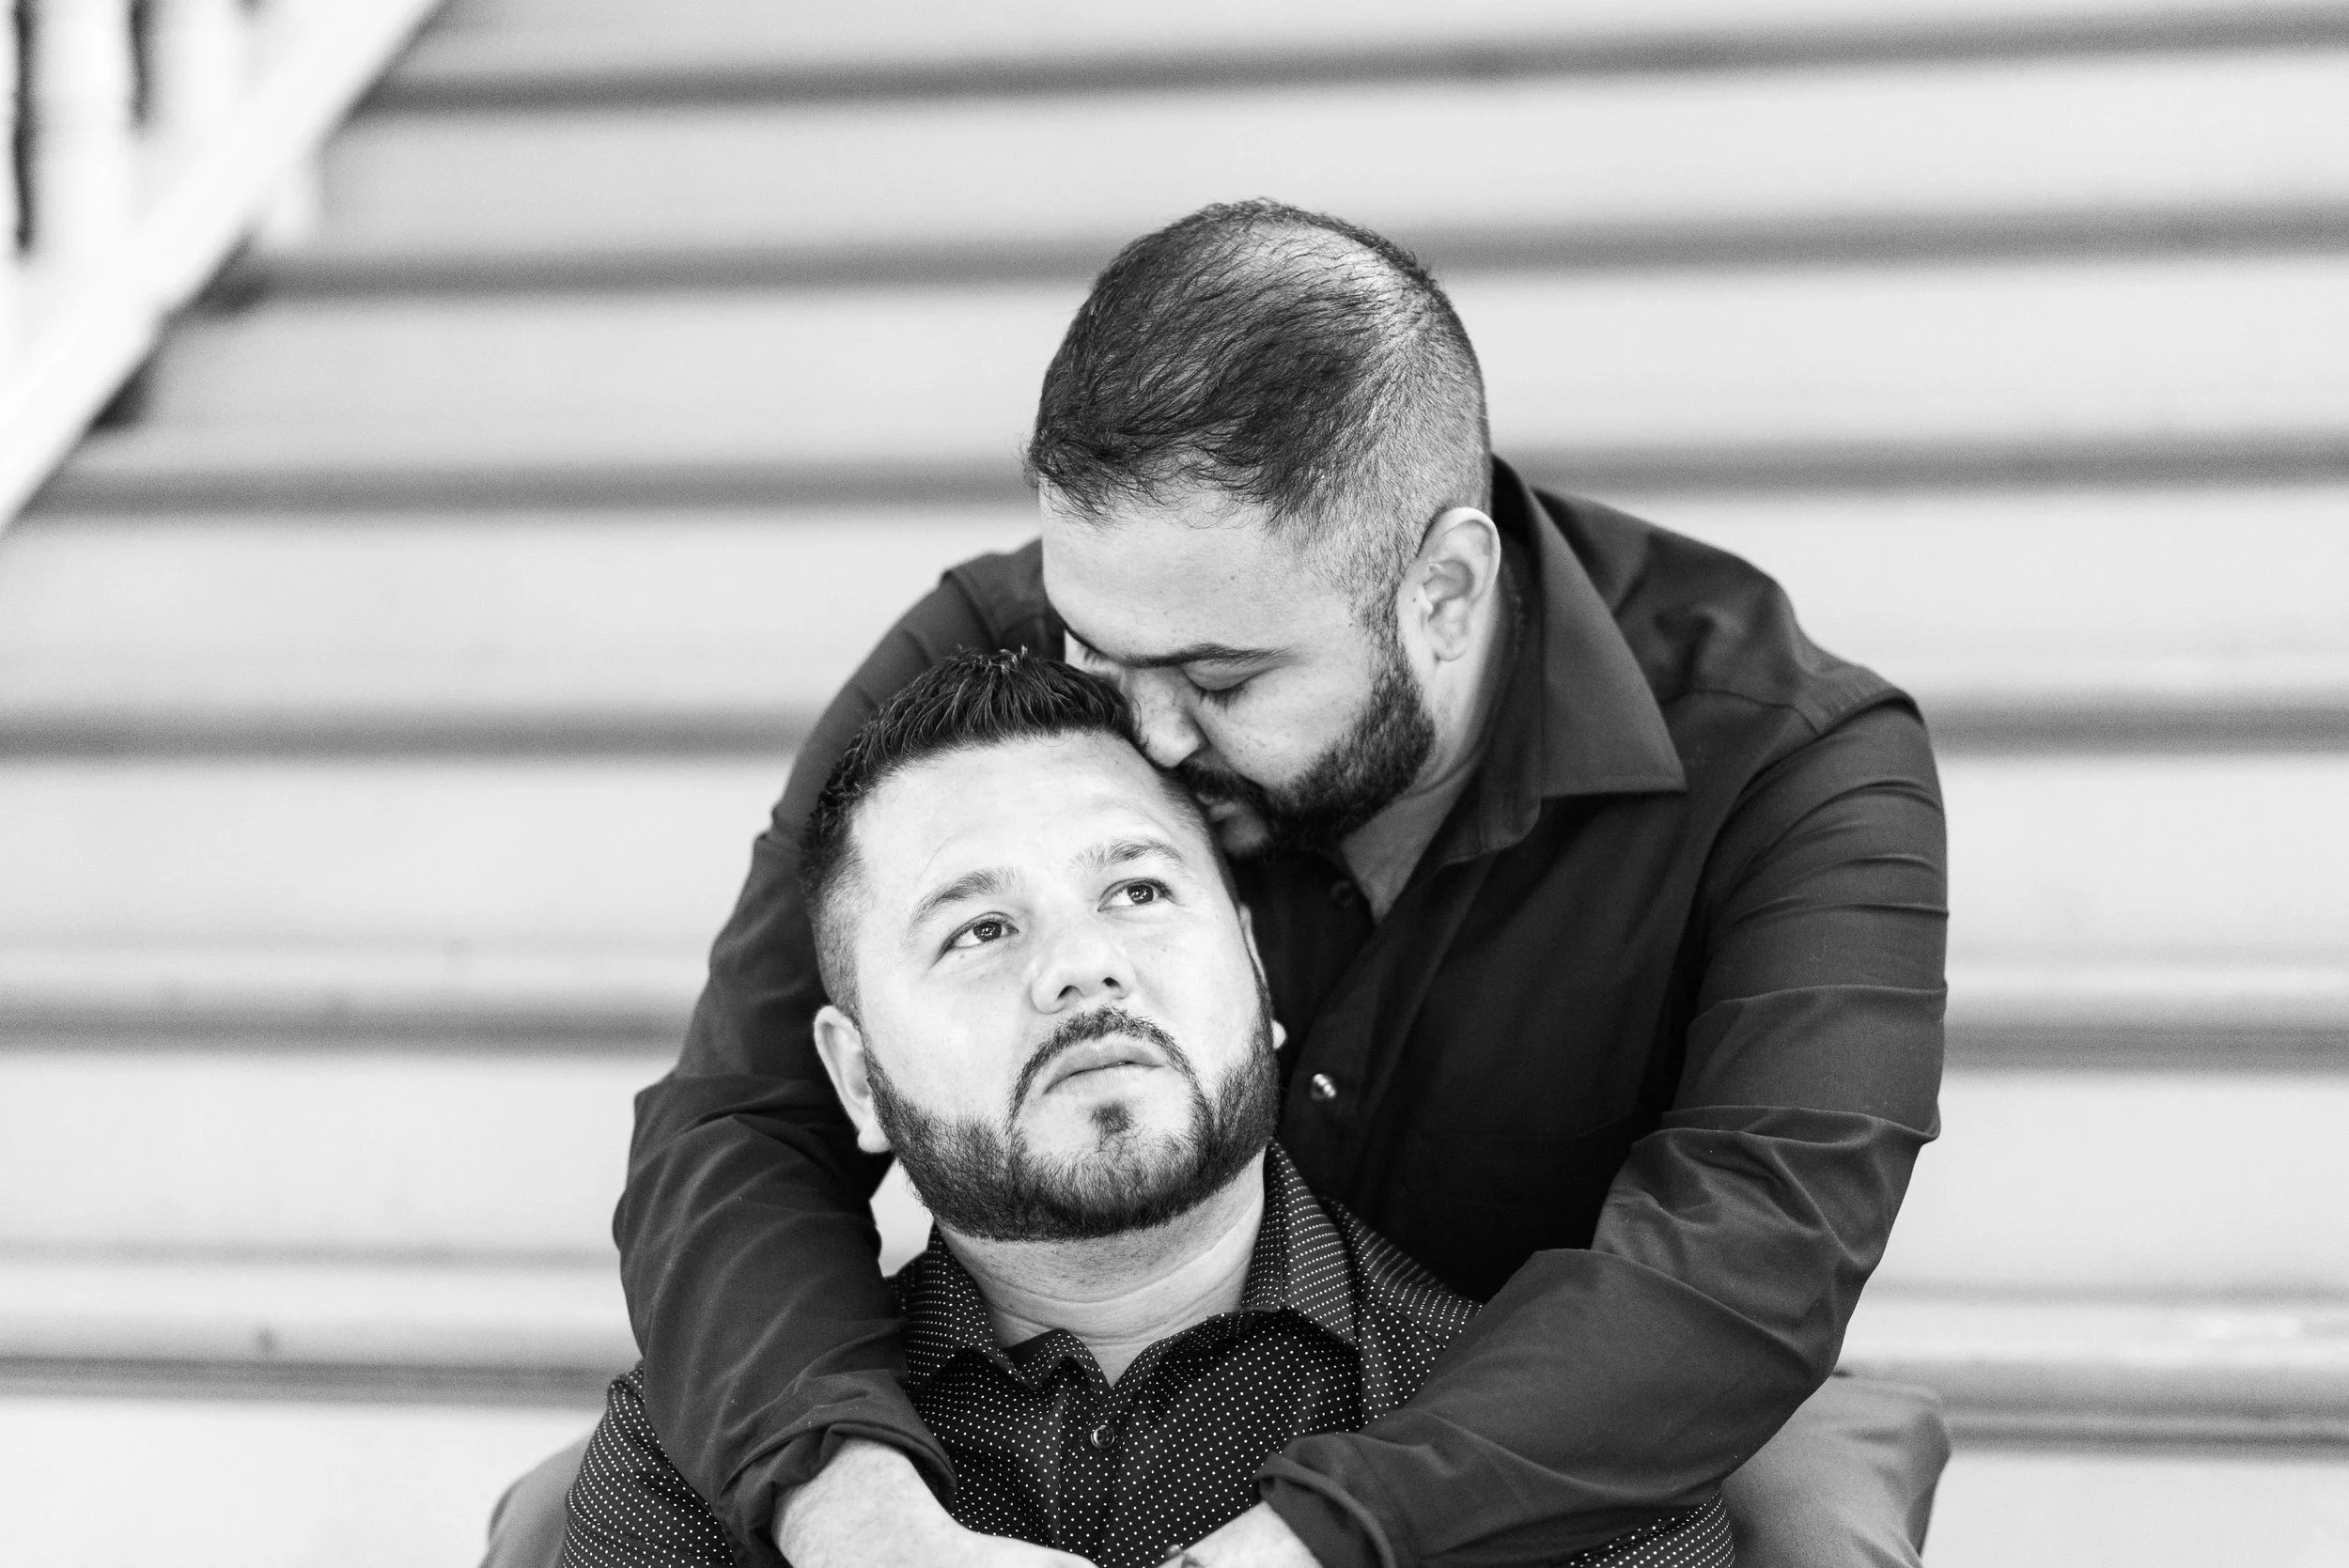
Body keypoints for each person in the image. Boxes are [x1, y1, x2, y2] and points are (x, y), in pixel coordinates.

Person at [488, 198, 1949, 1568]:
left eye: (1221, 678)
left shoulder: (1797, 764)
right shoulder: (998, 647)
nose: (1145, 731)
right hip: (1076, 1334)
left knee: (1799, 1524)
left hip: (1568, 1393)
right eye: (1094, 651)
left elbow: (1750, 1254)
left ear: (1442, 594)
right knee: (588, 1510)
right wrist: (857, 1515)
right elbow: (740, 1118)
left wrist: (1302, 1543)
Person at [560, 652, 1735, 1568]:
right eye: (979, 928)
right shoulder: (690, 1480)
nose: (1083, 965)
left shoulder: (1557, 1474)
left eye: (1135, 888)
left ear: (1259, 977)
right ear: (859, 1079)